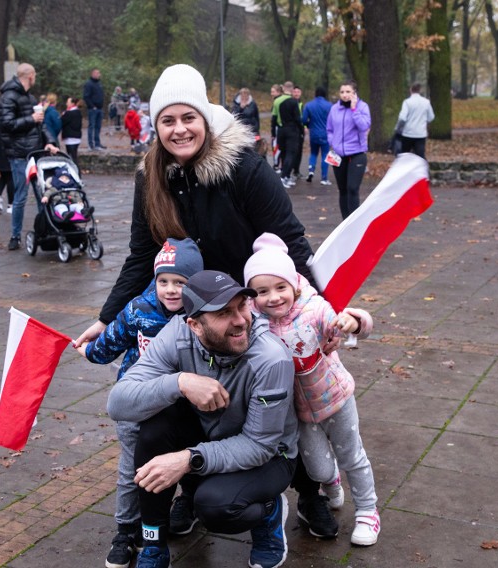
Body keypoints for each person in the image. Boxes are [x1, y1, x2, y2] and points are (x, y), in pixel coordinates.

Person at [73, 63, 339, 543]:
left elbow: (293, 242)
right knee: (193, 402)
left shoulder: (244, 167)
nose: (179, 129)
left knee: (282, 402)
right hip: (194, 317)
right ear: (155, 126)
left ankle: (305, 492)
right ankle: (190, 490)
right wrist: (106, 317)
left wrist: (326, 306)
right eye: (167, 121)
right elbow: (141, 254)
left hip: (251, 305)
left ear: (205, 117)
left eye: (187, 117)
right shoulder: (151, 178)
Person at [106, 269, 299, 568]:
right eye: (224, 313)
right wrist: (180, 382)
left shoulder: (270, 358)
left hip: (271, 456)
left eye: (241, 307)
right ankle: (154, 544)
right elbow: (118, 403)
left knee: (215, 506)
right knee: (152, 428)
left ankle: (269, 510)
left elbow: (260, 445)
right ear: (194, 325)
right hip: (210, 437)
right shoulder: (177, 332)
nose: (240, 320)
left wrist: (188, 459)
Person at [243, 233, 381, 546]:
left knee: (352, 456)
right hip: (300, 412)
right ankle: (331, 486)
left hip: (335, 397)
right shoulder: (255, 322)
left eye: (280, 287)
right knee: (318, 469)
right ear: (253, 295)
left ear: (293, 284)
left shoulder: (313, 308)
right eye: (263, 291)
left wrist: (353, 322)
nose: (274, 297)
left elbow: (337, 323)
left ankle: (368, 511)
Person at [77, 238, 203, 568]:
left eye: (180, 282)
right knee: (132, 468)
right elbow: (110, 343)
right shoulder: (138, 309)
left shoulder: (202, 314)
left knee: (189, 453)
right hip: (138, 403)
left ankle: (186, 501)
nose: (171, 290)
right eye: (164, 281)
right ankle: (126, 532)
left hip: (183, 404)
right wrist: (90, 351)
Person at [0, 62, 46, 251]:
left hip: (34, 153)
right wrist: (31, 119)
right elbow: (6, 123)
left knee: (42, 195)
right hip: (19, 154)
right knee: (20, 196)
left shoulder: (30, 97)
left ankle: (46, 230)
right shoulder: (9, 96)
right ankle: (15, 236)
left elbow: (39, 126)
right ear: (30, 76)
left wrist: (48, 141)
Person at [326, 81, 370, 220]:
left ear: (354, 93)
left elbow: (364, 126)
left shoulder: (362, 107)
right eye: (342, 92)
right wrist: (332, 142)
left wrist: (354, 109)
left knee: (352, 188)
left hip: (357, 153)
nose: (344, 95)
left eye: (348, 92)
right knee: (343, 190)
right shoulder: (334, 109)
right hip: (338, 154)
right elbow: (329, 129)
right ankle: (345, 222)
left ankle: (354, 221)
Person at [302, 87, 332, 186]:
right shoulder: (329, 106)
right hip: (325, 134)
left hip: (313, 133)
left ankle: (311, 171)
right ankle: (324, 178)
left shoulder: (309, 105)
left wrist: (309, 124)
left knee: (313, 153)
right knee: (324, 155)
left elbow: (303, 120)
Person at [395, 83, 434, 159]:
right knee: (420, 156)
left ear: (410, 90)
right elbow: (431, 117)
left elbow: (402, 118)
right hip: (420, 134)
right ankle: (422, 170)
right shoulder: (426, 102)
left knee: (404, 156)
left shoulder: (407, 102)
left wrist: (398, 128)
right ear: (420, 90)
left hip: (407, 133)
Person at [277, 82, 301, 188]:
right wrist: (301, 129)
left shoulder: (279, 102)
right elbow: (297, 118)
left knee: (284, 153)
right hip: (292, 131)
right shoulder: (293, 102)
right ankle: (284, 177)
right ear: (291, 90)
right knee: (291, 154)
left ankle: (286, 176)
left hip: (282, 130)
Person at [83, 68, 106, 150]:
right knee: (91, 126)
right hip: (93, 109)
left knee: (98, 127)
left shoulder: (99, 83)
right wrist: (92, 106)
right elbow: (86, 96)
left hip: (100, 108)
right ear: (93, 74)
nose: (99, 75)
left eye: (99, 73)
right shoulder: (89, 84)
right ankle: (91, 144)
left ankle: (97, 143)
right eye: (97, 73)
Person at [61, 97, 83, 168]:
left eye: (68, 102)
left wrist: (63, 115)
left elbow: (62, 121)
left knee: (72, 158)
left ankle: (76, 173)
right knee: (74, 156)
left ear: (72, 103)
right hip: (77, 137)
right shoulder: (78, 112)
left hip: (70, 138)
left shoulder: (69, 113)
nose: (66, 103)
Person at [292, 86, 305, 178]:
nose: (296, 93)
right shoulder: (290, 103)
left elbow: (303, 117)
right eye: (295, 92)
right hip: (292, 130)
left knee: (299, 151)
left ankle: (296, 170)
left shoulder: (301, 104)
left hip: (300, 130)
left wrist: (304, 127)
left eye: (298, 92)